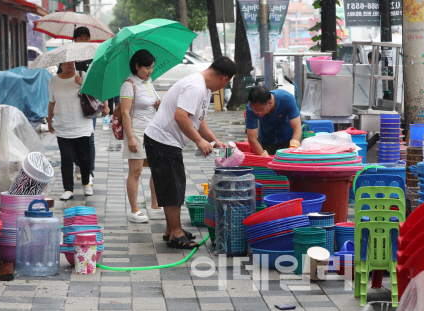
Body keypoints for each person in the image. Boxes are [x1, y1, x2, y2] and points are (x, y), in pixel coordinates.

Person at [144, 56, 236, 249]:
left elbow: (198, 119)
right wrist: (199, 141)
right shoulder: (195, 86)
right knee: (173, 187)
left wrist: (213, 140)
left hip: (166, 141)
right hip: (162, 140)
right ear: (225, 78)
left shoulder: (204, 88)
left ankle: (171, 229)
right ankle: (176, 234)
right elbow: (181, 117)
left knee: (173, 185)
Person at [120, 50, 162, 223]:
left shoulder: (148, 82)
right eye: (146, 67)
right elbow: (125, 113)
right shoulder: (129, 84)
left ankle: (155, 206)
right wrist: (130, 137)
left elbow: (152, 104)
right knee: (135, 172)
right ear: (136, 66)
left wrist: (158, 104)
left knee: (156, 169)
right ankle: (134, 210)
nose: (149, 71)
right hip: (136, 131)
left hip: (152, 131)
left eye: (151, 67)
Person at [47, 61, 94, 200]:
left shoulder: (82, 75)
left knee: (84, 157)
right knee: (66, 158)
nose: (69, 64)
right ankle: (68, 189)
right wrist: (50, 120)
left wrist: (82, 84)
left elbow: (95, 94)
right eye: (66, 62)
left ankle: (86, 183)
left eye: (71, 62)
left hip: (82, 124)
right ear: (60, 65)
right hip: (63, 125)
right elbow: (52, 102)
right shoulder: (54, 81)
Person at [70, 26, 109, 182]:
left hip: (89, 104)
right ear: (74, 40)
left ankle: (90, 172)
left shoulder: (95, 58)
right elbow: (63, 81)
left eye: (87, 38)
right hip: (71, 105)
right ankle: (79, 164)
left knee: (89, 139)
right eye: (80, 38)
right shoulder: (69, 58)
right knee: (73, 138)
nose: (84, 41)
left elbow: (100, 83)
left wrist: (106, 105)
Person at [245, 85, 302, 156]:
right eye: (253, 109)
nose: (255, 112)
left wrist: (292, 149)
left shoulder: (287, 99)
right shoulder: (251, 108)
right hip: (266, 141)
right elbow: (252, 138)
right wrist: (263, 156)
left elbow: (297, 128)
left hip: (288, 139)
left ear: (270, 103)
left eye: (259, 110)